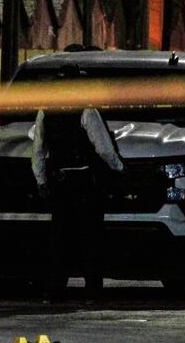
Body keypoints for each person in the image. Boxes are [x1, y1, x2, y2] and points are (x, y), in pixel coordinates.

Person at [31, 68, 124, 299]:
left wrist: (41, 180)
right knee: (89, 238)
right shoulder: (87, 110)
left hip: (59, 182)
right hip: (83, 182)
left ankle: (53, 290)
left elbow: (38, 151)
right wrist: (120, 168)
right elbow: (103, 148)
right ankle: (92, 291)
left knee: (59, 237)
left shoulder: (46, 112)